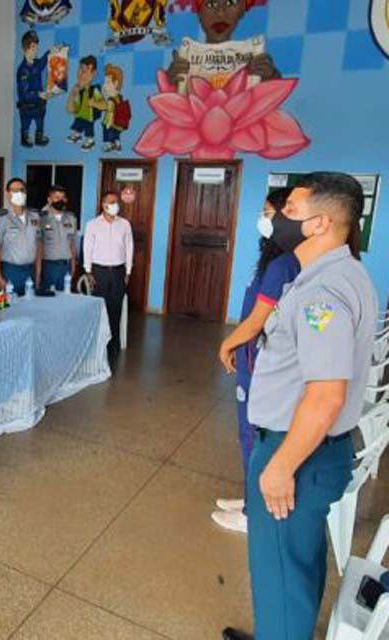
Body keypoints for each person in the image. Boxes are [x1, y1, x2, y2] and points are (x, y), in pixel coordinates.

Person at [223, 173, 377, 640]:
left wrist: (280, 466)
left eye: (289, 211)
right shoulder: (340, 273)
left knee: (281, 571)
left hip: (296, 451)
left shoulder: (321, 294)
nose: (276, 219)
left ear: (320, 224)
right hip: (306, 448)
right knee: (292, 567)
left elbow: (327, 394)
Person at [211, 187, 299, 534]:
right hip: (253, 352)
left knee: (250, 432)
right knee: (250, 432)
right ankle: (250, 493)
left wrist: (228, 344)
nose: (262, 219)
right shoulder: (276, 258)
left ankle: (252, 512)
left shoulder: (281, 264)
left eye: (268, 212)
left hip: (256, 354)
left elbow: (258, 319)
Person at [167, 0, 278, 85]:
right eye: (211, 4)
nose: (220, 13)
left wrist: (270, 78)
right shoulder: (186, 56)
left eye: (230, 2)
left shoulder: (255, 54)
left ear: (242, 9)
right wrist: (170, 84)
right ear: (198, 12)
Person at [84, 191, 133, 359]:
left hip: (118, 271)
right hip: (99, 271)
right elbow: (87, 248)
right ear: (103, 205)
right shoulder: (93, 224)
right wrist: (88, 271)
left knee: (116, 308)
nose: (114, 205)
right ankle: (99, 344)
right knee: (100, 308)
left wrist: (128, 271)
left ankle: (114, 344)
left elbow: (129, 247)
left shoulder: (125, 224)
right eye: (110, 202)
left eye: (116, 202)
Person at [0, 178, 42, 296]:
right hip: (11, 271)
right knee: (12, 310)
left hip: (30, 271)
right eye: (14, 190)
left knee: (31, 308)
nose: (19, 193)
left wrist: (38, 274)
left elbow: (39, 246)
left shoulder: (35, 216)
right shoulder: (0, 218)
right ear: (8, 194)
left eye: (21, 190)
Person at [40, 185, 78, 292]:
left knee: (65, 300)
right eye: (56, 197)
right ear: (49, 200)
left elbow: (72, 243)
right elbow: (38, 245)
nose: (60, 200)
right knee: (47, 300)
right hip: (48, 266)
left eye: (62, 197)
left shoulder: (72, 218)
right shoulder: (41, 218)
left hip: (66, 266)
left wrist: (73, 266)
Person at [16, 30, 50, 148]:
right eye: (33, 47)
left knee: (40, 121)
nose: (36, 50)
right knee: (26, 123)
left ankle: (39, 137)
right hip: (27, 106)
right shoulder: (23, 71)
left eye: (36, 47)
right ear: (25, 49)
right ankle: (25, 138)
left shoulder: (36, 63)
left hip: (39, 105)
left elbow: (42, 63)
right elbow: (24, 94)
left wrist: (50, 52)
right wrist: (38, 94)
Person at [67, 55, 102, 151]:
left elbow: (103, 104)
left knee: (88, 127)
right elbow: (70, 109)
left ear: (93, 73)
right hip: (81, 113)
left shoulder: (95, 89)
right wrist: (73, 94)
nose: (81, 75)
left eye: (85, 71)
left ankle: (90, 140)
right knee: (78, 122)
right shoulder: (80, 91)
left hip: (90, 115)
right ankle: (77, 135)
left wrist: (94, 104)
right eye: (80, 71)